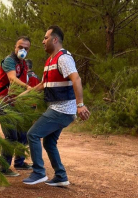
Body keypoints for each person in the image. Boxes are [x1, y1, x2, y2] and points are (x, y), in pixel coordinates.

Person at [20, 25, 91, 186]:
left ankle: (38, 172)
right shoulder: (50, 60)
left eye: (45, 38)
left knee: (33, 134)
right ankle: (61, 176)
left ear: (55, 39)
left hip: (62, 109)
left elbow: (76, 79)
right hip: (57, 108)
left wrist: (80, 104)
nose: (43, 41)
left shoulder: (63, 58)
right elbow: (43, 85)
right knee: (49, 142)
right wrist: (21, 96)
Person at [0, 36, 34, 177]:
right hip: (3, 103)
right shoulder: (9, 61)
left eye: (26, 48)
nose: (22, 50)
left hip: (16, 103)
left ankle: (19, 162)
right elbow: (12, 78)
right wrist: (28, 87)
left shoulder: (24, 64)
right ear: (15, 47)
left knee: (23, 134)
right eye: (20, 47)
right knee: (11, 136)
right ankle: (4, 168)